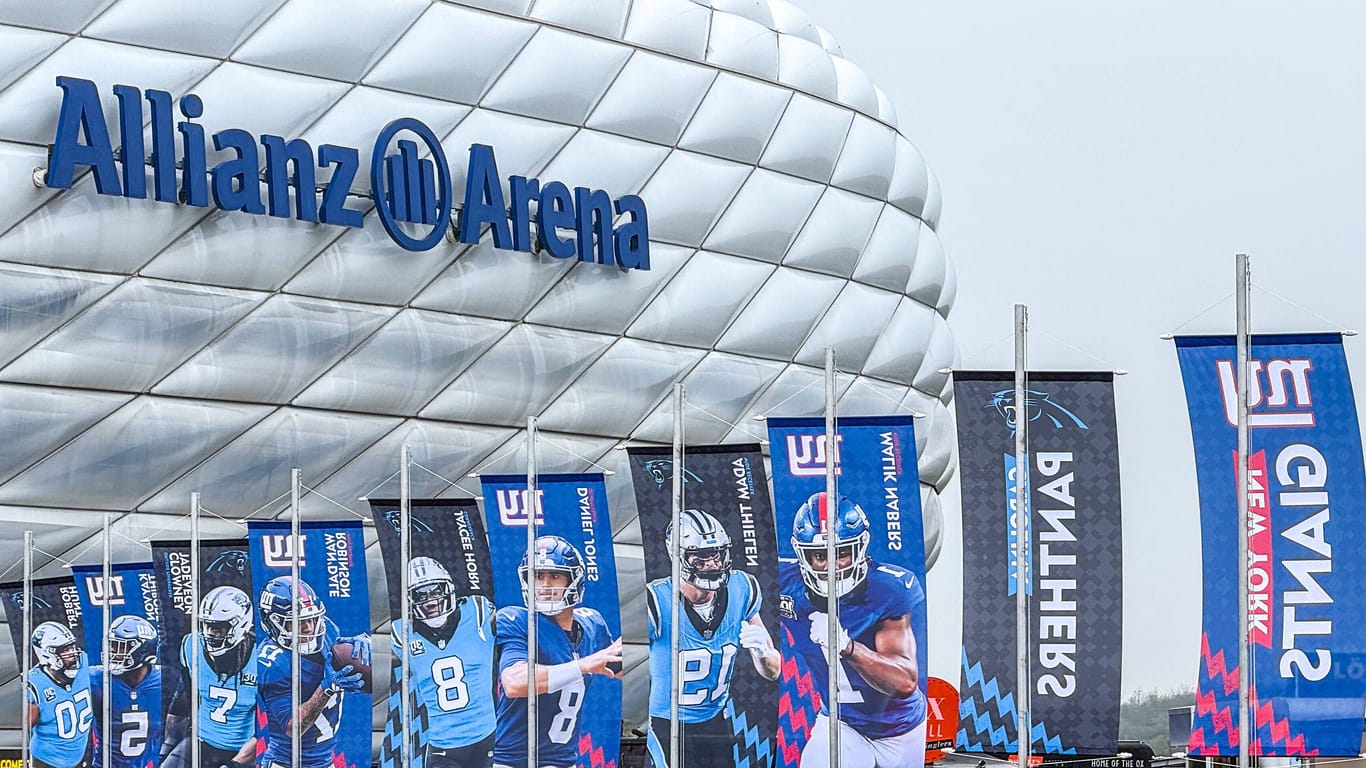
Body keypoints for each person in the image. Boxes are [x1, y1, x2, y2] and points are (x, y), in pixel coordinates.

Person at [778, 492, 927, 768]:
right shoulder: (785, 584)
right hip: (840, 721)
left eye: (841, 553)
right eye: (820, 556)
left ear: (860, 548)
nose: (831, 565)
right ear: (803, 555)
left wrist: (847, 647)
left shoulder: (888, 589)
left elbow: (905, 681)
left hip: (900, 727)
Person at [644, 509, 780, 768]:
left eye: (716, 555)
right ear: (679, 558)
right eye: (700, 558)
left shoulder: (743, 588)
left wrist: (763, 651)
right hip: (668, 724)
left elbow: (773, 672)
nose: (712, 564)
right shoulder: (657, 601)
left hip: (715, 720)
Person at [492, 536, 622, 768]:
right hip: (513, 761)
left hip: (563, 760)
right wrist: (584, 665)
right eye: (538, 576)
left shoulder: (593, 624)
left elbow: (616, 665)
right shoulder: (516, 620)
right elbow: (515, 683)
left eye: (554, 576)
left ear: (574, 580)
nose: (544, 586)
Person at [253, 576, 371, 768]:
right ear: (273, 623)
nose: (309, 628)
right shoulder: (273, 663)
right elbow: (293, 727)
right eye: (298, 622)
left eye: (312, 618)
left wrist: (360, 646)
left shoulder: (328, 631)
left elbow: (343, 657)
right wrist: (327, 687)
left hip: (324, 762)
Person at [392, 556, 497, 768]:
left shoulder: (478, 612)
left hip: (489, 736)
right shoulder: (401, 633)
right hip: (443, 746)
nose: (429, 600)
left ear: (448, 589)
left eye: (435, 591)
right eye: (420, 594)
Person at [160, 586, 258, 768]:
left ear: (241, 625)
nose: (211, 634)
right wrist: (167, 747)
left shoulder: (260, 658)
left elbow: (269, 729)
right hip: (202, 741)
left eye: (219, 628)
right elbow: (181, 702)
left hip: (245, 750)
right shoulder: (192, 647)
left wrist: (235, 764)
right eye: (207, 625)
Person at [91, 615, 163, 768]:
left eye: (120, 646)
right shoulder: (96, 679)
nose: (112, 651)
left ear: (142, 651)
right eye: (111, 645)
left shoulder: (166, 681)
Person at [27, 621, 93, 768]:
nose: (73, 654)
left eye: (72, 647)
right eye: (65, 650)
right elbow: (23, 728)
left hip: (79, 756)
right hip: (47, 761)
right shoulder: (34, 684)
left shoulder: (85, 662)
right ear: (47, 654)